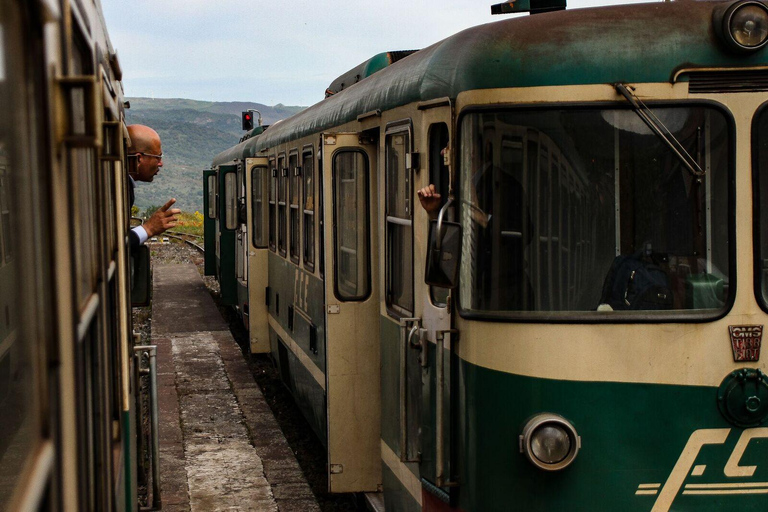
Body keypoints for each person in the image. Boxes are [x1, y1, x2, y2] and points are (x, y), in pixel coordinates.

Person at [126, 124, 180, 250]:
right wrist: (148, 228)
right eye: (158, 157)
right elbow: (113, 244)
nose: (161, 164)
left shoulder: (124, 185)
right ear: (139, 159)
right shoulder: (120, 189)